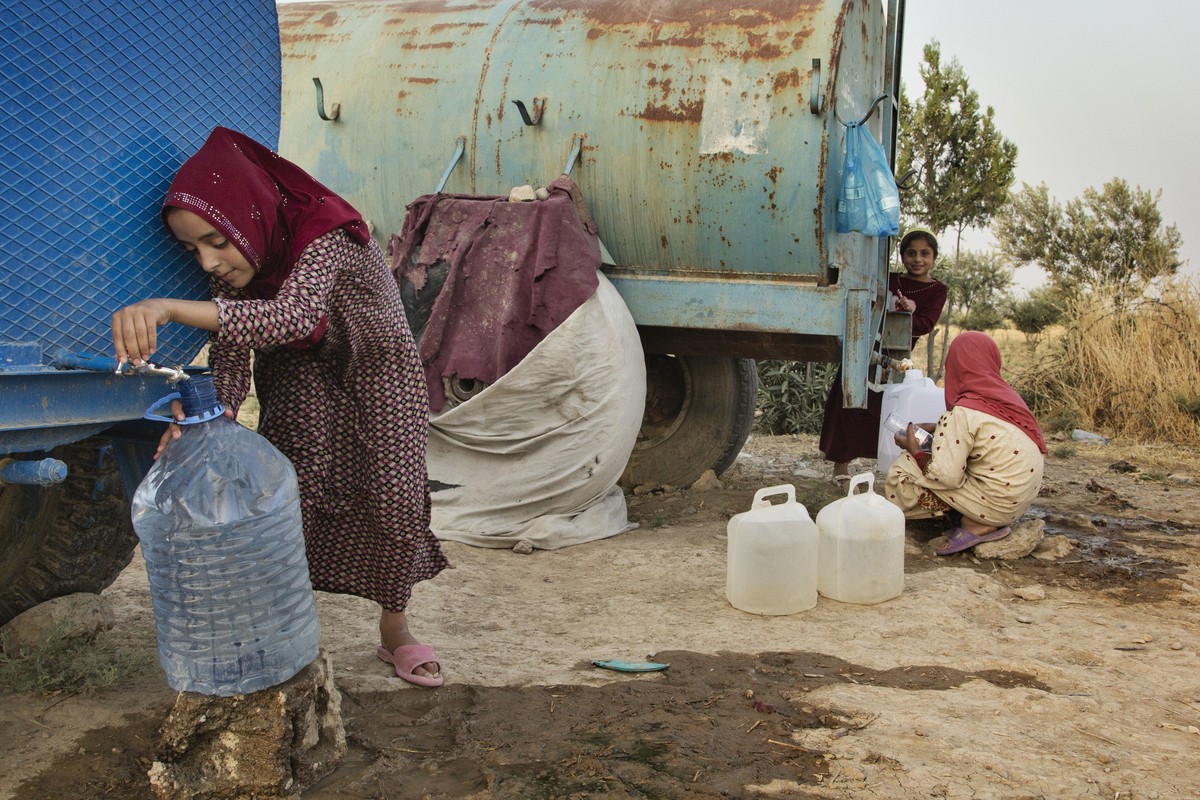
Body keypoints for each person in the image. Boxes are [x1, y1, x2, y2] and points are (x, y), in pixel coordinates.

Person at [110, 127, 451, 687]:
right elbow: (230, 354)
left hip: (377, 364)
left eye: (216, 241)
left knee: (393, 495)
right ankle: (284, 622)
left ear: (248, 210)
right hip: (297, 368)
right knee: (294, 485)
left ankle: (396, 629)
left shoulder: (325, 231)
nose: (209, 261)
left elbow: (287, 317)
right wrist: (202, 430)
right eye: (193, 250)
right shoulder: (245, 265)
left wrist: (169, 307)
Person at [884, 331, 1047, 555]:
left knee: (904, 469)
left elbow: (945, 476)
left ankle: (976, 523)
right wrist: (940, 428)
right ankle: (978, 515)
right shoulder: (1006, 400)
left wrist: (915, 450)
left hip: (994, 505)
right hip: (1016, 502)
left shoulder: (963, 412)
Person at [819, 227, 948, 484]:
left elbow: (925, 324)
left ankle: (891, 467)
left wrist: (909, 311)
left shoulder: (937, 290)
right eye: (911, 253)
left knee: (891, 412)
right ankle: (840, 466)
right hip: (865, 348)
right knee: (849, 403)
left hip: (897, 358)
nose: (917, 259)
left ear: (934, 257)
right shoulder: (890, 279)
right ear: (902, 256)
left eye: (925, 253)